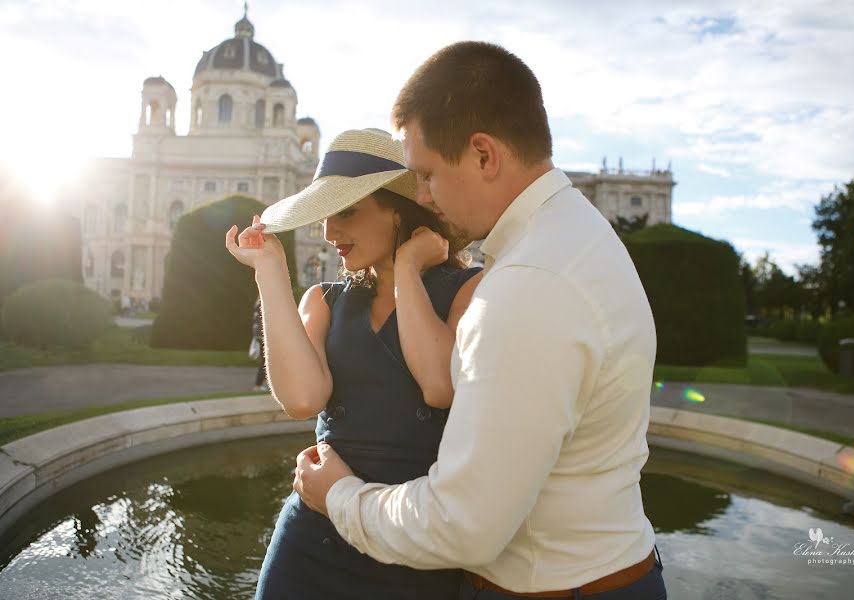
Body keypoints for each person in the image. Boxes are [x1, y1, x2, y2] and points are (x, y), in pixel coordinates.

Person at [294, 42, 668, 599]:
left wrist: (339, 495)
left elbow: (461, 525)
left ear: (484, 155)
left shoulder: (530, 283)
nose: (420, 195)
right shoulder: (575, 235)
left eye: (426, 174)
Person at [225, 127, 483, 599]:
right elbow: (302, 400)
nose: (328, 233)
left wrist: (406, 269)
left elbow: (440, 387)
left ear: (398, 209)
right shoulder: (324, 300)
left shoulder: (468, 290)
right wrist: (269, 272)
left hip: (412, 536)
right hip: (313, 538)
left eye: (345, 211)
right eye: (324, 215)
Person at [251, 296, 268, 391]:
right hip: (263, 336)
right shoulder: (263, 303)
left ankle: (264, 381)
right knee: (265, 361)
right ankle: (258, 385)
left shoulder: (257, 304)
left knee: (265, 360)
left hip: (259, 335)